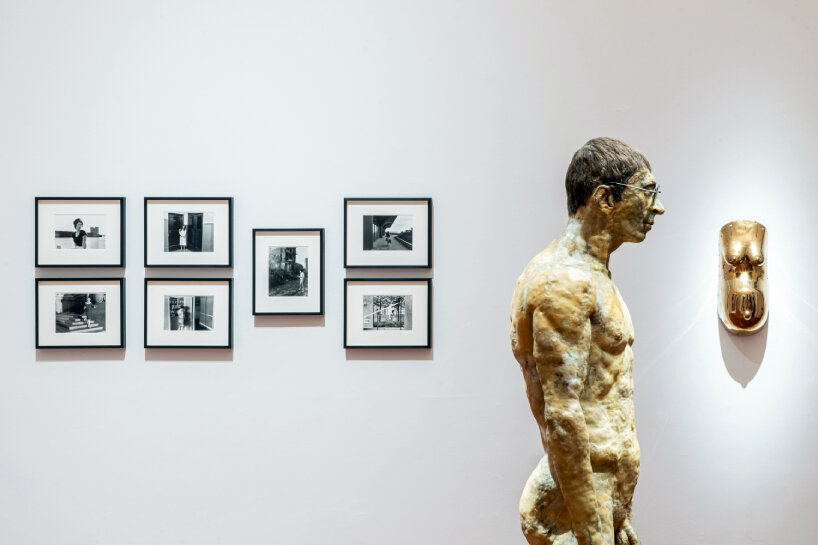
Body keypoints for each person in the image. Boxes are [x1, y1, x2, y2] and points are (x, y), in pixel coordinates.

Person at [510, 137, 664, 545]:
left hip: (600, 502)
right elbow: (562, 414)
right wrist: (592, 529)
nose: (658, 208)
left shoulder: (593, 274)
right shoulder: (564, 280)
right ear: (605, 199)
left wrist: (617, 510)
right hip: (576, 513)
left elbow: (605, 395)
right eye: (647, 192)